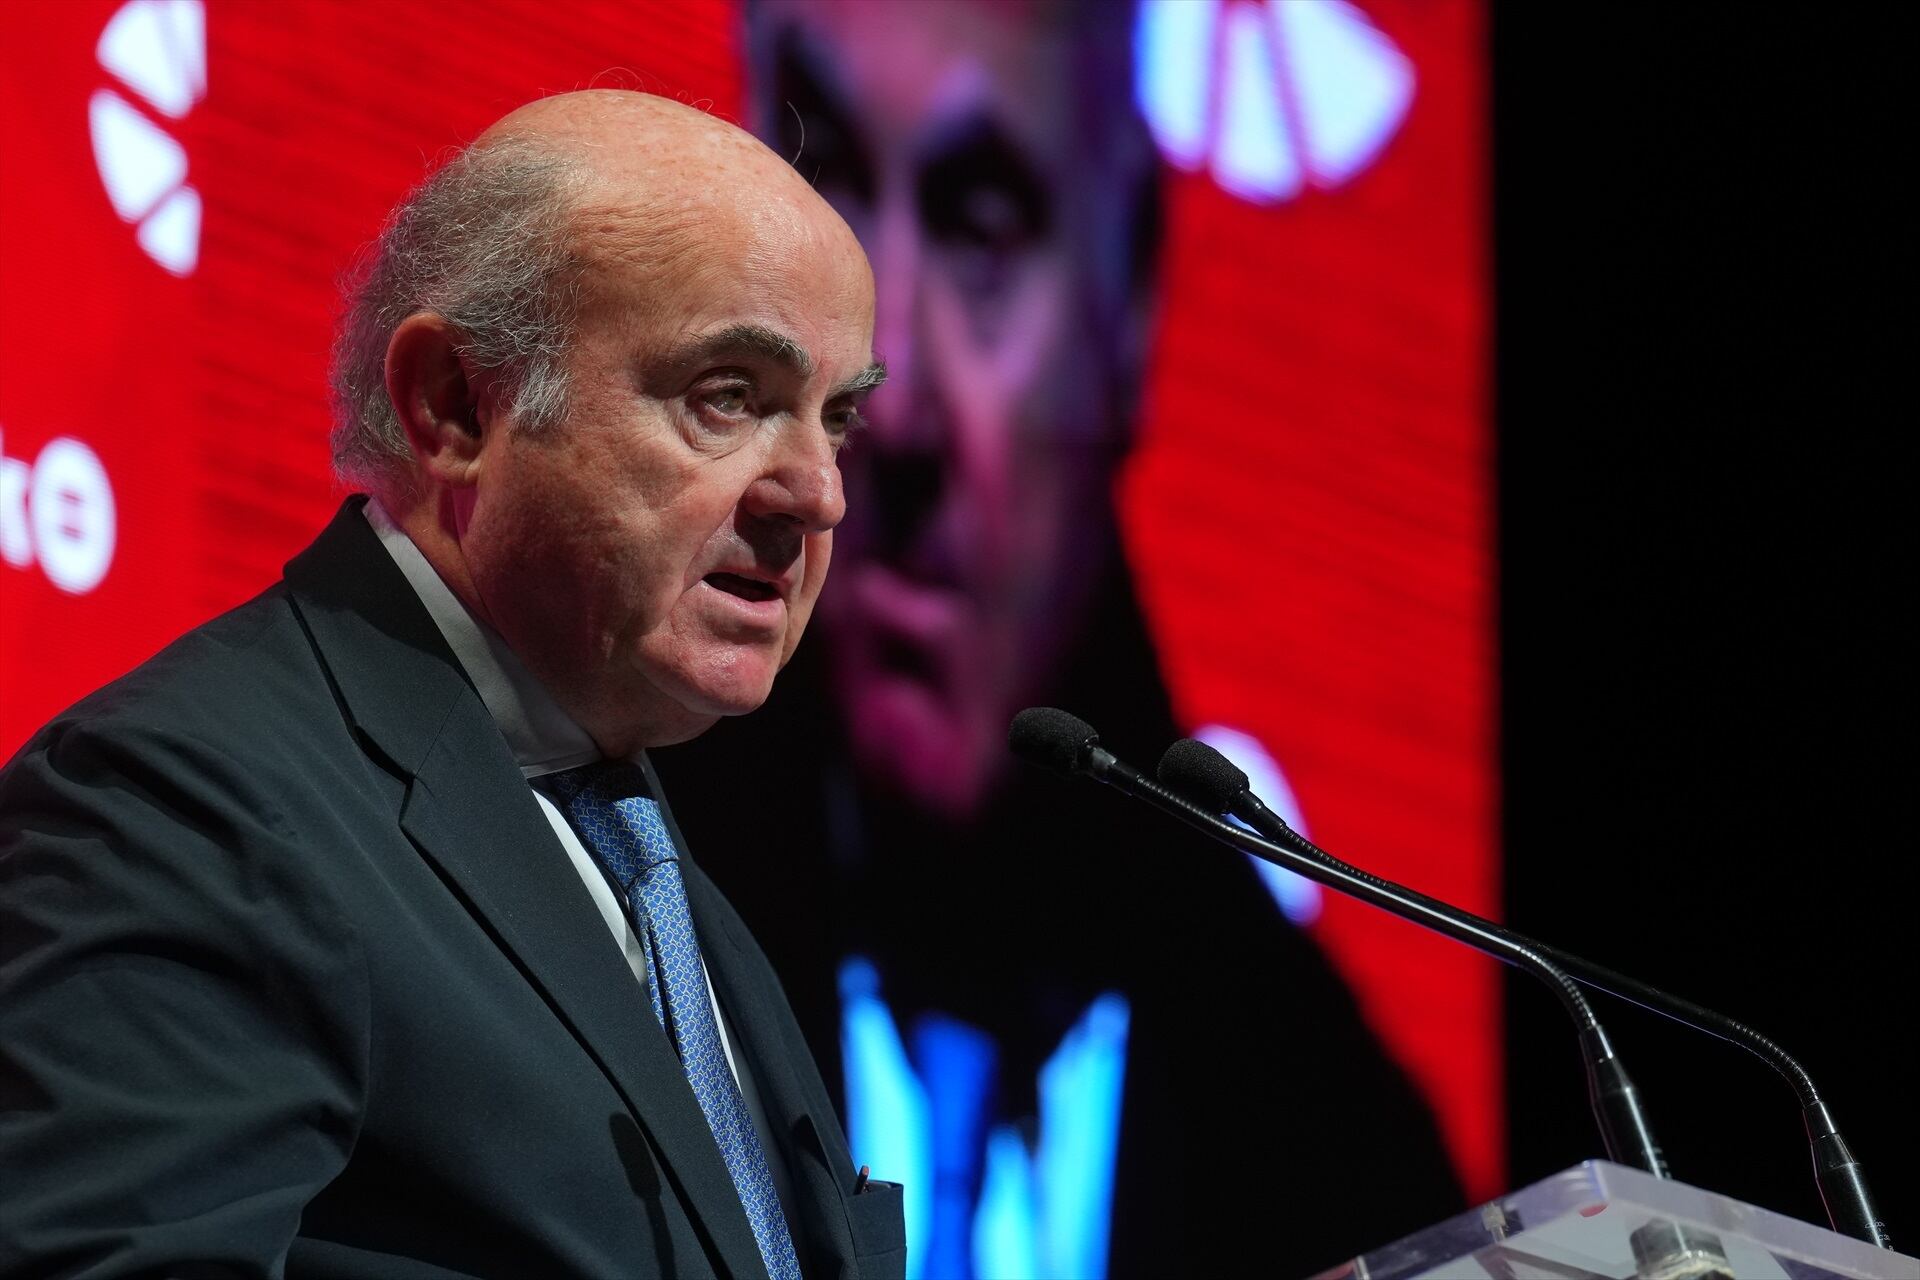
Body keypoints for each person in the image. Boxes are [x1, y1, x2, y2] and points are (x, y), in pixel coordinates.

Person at [0, 91, 905, 1278]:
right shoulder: (187, 810)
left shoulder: (647, 860)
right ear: (456, 405)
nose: (819, 495)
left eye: (836, 421)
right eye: (727, 396)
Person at [653, 4, 1465, 1277]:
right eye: (827, 198)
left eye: (980, 228)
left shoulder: (1353, 1166)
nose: (891, 407)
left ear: (1126, 291)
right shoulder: (578, 933)